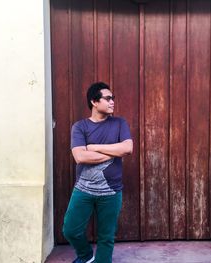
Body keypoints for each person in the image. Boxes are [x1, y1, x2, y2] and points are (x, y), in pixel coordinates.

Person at [62, 82, 133, 263]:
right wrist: (112, 152)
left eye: (113, 99)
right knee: (70, 230)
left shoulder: (119, 123)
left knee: (106, 237)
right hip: (84, 189)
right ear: (94, 101)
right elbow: (80, 157)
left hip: (111, 191)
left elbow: (127, 148)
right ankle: (85, 256)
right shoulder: (80, 127)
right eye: (108, 98)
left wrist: (94, 147)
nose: (112, 102)